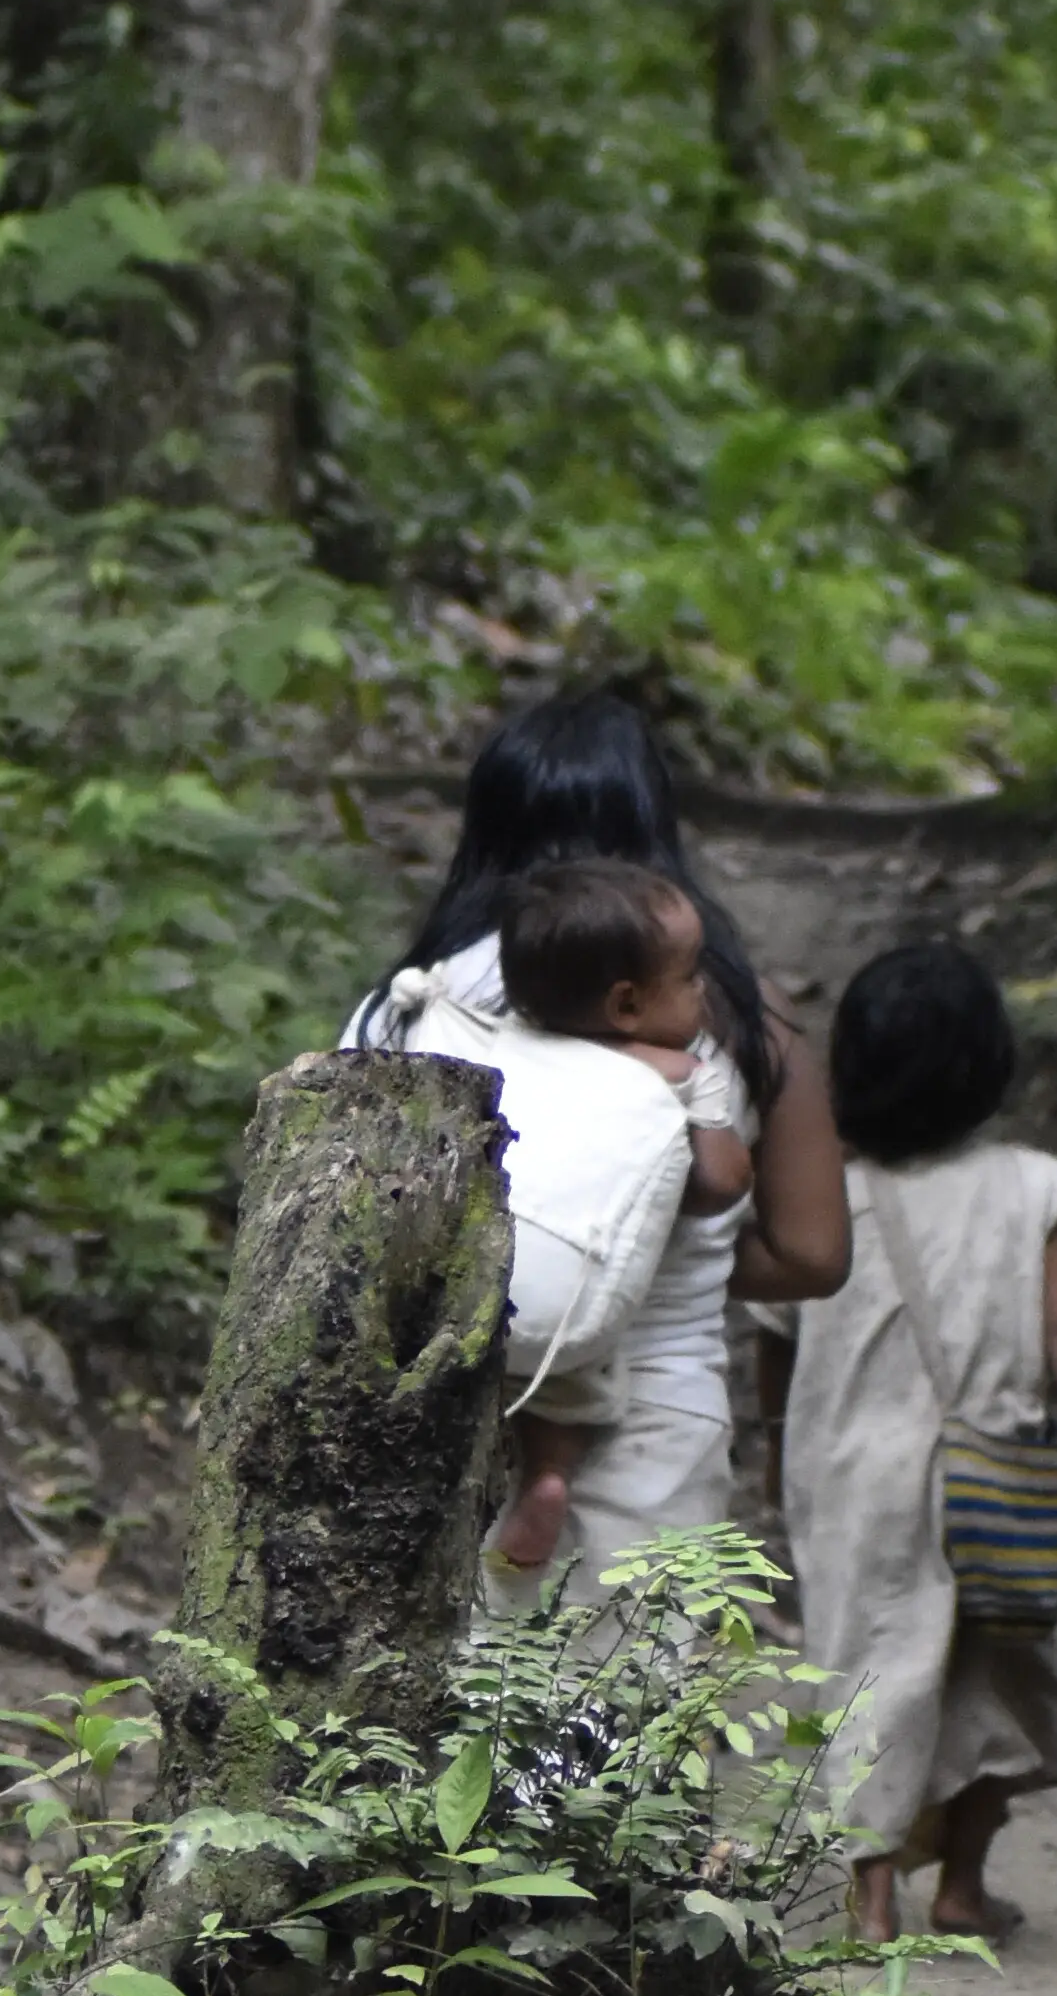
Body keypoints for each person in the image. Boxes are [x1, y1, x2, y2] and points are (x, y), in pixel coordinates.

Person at [352, 683, 848, 1600]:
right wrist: (633, 1251)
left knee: (444, 1730)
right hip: (653, 1426)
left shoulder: (412, 1007)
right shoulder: (733, 1012)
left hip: (439, 1413)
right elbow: (813, 1254)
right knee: (610, 1732)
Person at [776, 932, 1057, 1945]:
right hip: (998, 1474)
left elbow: (776, 1344)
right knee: (993, 1679)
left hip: (853, 1478)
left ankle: (871, 1898)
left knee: (865, 1678)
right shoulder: (1032, 1186)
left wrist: (776, 1462)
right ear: (988, 1065)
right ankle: (965, 1888)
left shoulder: (820, 1197)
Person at [478, 859, 755, 1588]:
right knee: (581, 1368)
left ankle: (530, 1473)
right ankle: (552, 1472)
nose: (704, 991)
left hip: (499, 1283)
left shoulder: (507, 1048)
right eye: (692, 976)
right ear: (627, 1003)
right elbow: (722, 1183)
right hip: (592, 1301)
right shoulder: (681, 1070)